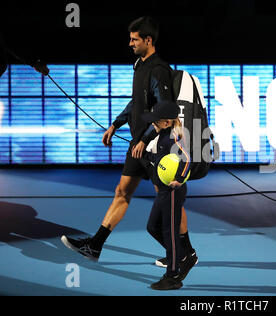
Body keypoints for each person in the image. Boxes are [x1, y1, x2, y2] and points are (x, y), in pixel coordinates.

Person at [61, 17, 197, 270]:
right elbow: (137, 103)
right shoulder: (140, 65)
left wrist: (146, 139)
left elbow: (165, 112)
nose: (130, 43)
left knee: (168, 199)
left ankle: (186, 252)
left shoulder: (159, 69)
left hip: (156, 147)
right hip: (138, 144)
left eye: (135, 39)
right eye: (130, 39)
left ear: (148, 40)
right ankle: (95, 246)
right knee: (122, 192)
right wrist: (116, 124)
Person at [144, 100, 194, 290]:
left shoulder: (170, 138)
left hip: (173, 190)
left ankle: (173, 277)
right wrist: (145, 156)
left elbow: (187, 159)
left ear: (166, 122)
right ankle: (181, 255)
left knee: (169, 232)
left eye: (155, 121)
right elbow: (160, 160)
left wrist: (179, 179)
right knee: (152, 226)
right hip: (164, 190)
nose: (152, 124)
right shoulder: (163, 135)